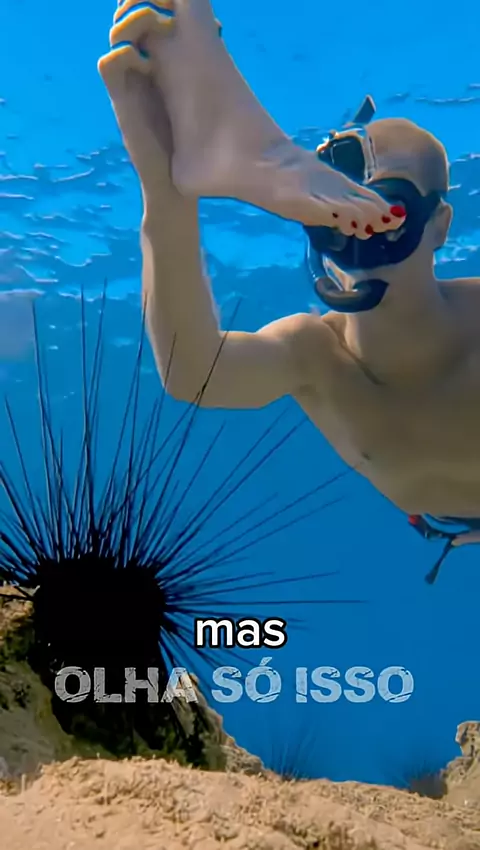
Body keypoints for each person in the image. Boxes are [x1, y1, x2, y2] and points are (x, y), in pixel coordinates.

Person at [98, 0, 480, 581]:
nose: (364, 221)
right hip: (439, 525)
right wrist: (165, 188)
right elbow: (194, 374)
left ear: (439, 226)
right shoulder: (315, 356)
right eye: (343, 198)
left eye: (390, 205)